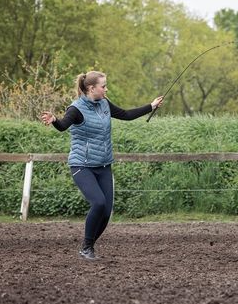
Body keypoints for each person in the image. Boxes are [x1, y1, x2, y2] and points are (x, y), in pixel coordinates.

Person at [40, 71, 163, 261]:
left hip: (104, 165)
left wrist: (151, 106)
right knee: (98, 202)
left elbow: (126, 114)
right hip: (82, 165)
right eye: (103, 86)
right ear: (91, 88)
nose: (106, 89)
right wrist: (55, 120)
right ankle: (86, 247)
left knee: (106, 213)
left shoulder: (104, 104)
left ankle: (87, 246)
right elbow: (64, 125)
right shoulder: (76, 109)